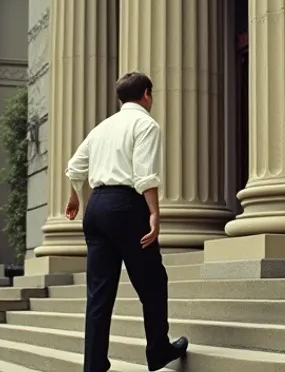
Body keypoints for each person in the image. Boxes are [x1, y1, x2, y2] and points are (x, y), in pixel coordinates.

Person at [64, 72, 188, 372]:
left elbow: (74, 166)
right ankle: (158, 350)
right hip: (126, 207)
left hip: (96, 209)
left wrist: (75, 197)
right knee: (153, 282)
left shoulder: (102, 127)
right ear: (147, 94)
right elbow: (145, 174)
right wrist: (154, 214)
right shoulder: (145, 124)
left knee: (99, 293)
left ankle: (93, 366)